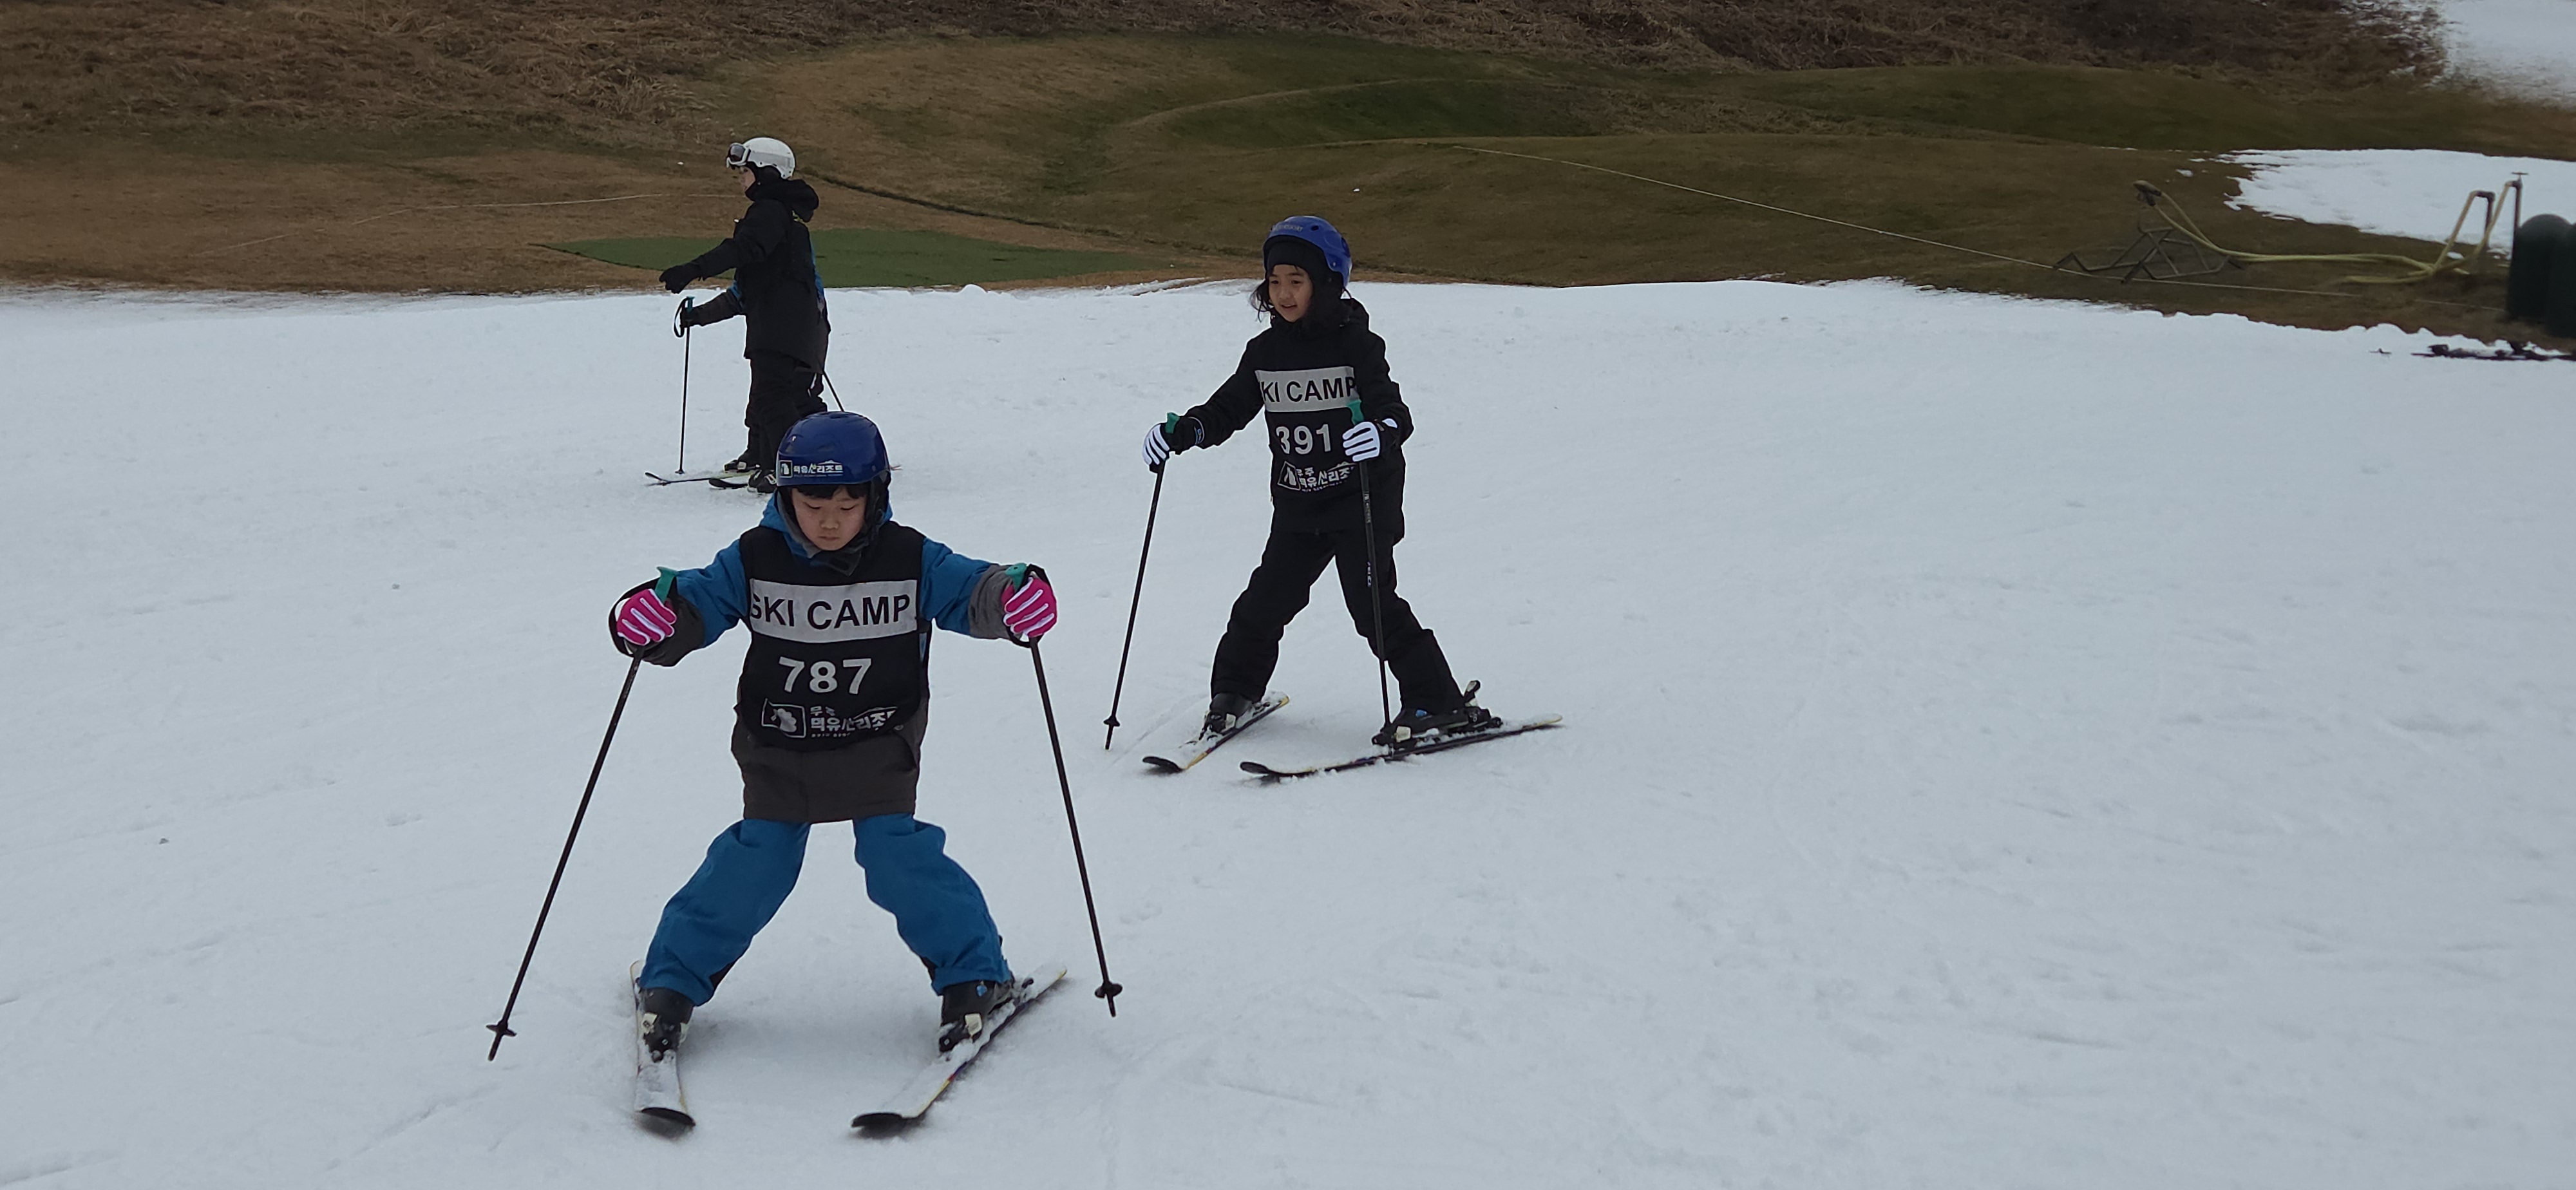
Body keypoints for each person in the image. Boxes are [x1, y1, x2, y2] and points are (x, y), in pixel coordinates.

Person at [607, 410, 1061, 1056]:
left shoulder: (908, 558)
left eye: (848, 503)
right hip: (779, 738)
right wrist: (655, 617)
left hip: (877, 736)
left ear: (874, 497)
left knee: (895, 855)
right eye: (813, 501)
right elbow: (698, 603)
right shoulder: (754, 559)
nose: (829, 519)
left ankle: (976, 975)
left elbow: (972, 590)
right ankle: (671, 982)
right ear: (784, 496)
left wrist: (1013, 597)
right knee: (756, 859)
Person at [1140, 216, 1493, 747]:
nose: (1283, 294)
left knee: (1374, 609)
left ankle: (1437, 701)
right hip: (1299, 506)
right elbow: (1230, 407)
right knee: (1263, 605)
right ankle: (1235, 691)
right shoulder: (1266, 354)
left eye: (1296, 281)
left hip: (1361, 503)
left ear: (1326, 284)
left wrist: (1382, 431)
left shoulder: (1357, 345)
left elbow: (1393, 409)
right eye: (1275, 281)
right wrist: (1188, 430)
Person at [661, 137, 832, 492]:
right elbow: (744, 293)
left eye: (745, 171)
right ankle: (762, 454)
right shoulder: (780, 216)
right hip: (787, 325)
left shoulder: (770, 212)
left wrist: (693, 268)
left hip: (789, 327)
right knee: (769, 395)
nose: (740, 178)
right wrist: (699, 316)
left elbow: (743, 250)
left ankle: (790, 465)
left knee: (777, 396)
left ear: (766, 172)